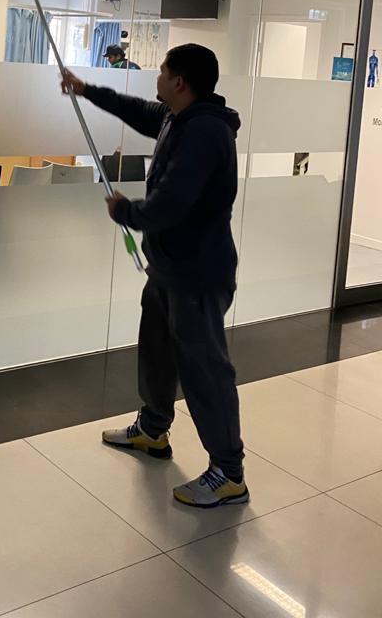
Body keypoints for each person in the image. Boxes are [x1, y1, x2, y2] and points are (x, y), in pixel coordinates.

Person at [62, 43, 248, 509]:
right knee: (158, 351)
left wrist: (127, 212)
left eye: (162, 71)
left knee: (205, 370)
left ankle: (228, 473)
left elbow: (172, 203)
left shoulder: (205, 133)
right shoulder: (177, 116)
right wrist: (87, 91)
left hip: (198, 273)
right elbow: (141, 111)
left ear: (180, 82)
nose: (156, 77)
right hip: (169, 268)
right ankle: (153, 430)